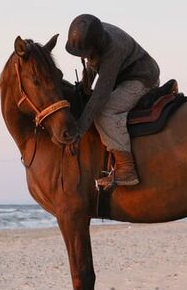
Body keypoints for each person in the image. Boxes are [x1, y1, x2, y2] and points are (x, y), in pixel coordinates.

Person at [65, 14, 160, 186]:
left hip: (142, 79)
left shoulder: (113, 48)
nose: (86, 56)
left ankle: (126, 169)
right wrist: (85, 86)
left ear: (96, 44)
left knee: (104, 112)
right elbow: (93, 62)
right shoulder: (94, 35)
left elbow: (101, 95)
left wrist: (79, 129)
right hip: (122, 77)